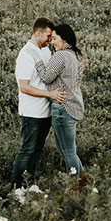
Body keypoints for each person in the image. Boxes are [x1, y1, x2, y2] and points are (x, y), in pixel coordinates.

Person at [10, 16, 66, 195]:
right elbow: (24, 86)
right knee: (27, 149)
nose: (50, 40)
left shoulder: (45, 52)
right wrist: (50, 94)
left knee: (38, 149)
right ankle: (17, 187)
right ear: (38, 33)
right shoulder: (26, 55)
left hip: (46, 111)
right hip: (31, 111)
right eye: (48, 36)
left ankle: (30, 183)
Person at [37, 22, 87, 192]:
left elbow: (46, 77)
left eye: (55, 38)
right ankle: (82, 177)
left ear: (64, 39)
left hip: (62, 107)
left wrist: (37, 60)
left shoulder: (61, 56)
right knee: (67, 149)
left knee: (67, 151)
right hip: (73, 104)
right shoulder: (77, 55)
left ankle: (73, 186)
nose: (52, 42)